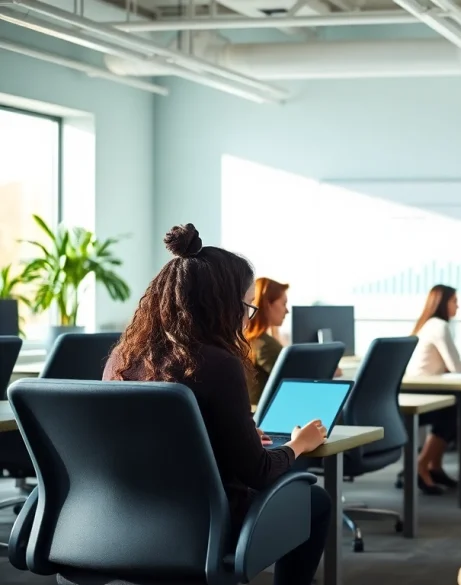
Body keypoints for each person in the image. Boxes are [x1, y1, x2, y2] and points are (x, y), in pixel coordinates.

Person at [103, 224, 330, 585]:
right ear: (222, 305)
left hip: (118, 514)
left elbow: (155, 438)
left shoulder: (121, 358)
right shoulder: (217, 363)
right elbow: (256, 471)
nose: (247, 317)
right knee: (313, 499)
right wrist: (298, 444)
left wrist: (223, 433)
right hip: (202, 521)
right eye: (246, 306)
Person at [404, 284, 461, 495]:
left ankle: (434, 466)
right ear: (443, 303)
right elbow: (457, 368)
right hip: (419, 392)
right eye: (454, 301)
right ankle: (422, 465)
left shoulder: (429, 324)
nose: (458, 306)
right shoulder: (439, 326)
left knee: (453, 407)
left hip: (419, 387)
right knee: (452, 409)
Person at [244, 277, 289, 407]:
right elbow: (293, 383)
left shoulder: (249, 341)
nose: (287, 311)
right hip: (263, 417)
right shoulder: (265, 345)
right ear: (267, 305)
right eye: (284, 304)